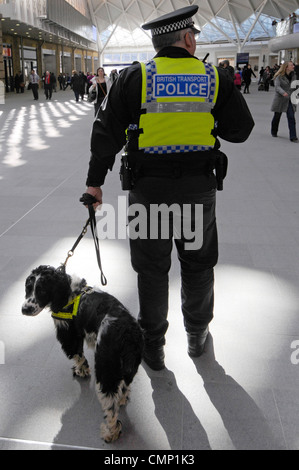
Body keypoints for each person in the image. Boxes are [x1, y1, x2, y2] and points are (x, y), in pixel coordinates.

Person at [83, 6, 254, 370]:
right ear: (188, 39)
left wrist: (94, 184)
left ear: (157, 43)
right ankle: (196, 336)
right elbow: (241, 130)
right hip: (197, 192)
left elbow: (105, 136)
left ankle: (153, 345)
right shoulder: (214, 77)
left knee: (152, 269)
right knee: (197, 265)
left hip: (148, 193)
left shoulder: (135, 77)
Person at [270, 61, 298, 142]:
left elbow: (295, 86)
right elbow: (277, 87)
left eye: (293, 65)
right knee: (277, 116)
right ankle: (274, 131)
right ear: (286, 67)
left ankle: (293, 136)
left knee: (291, 117)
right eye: (291, 65)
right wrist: (283, 92)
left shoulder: (294, 75)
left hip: (289, 99)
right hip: (280, 99)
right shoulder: (279, 76)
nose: (293, 66)